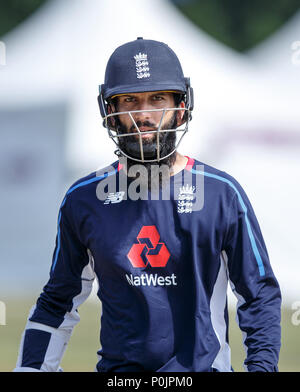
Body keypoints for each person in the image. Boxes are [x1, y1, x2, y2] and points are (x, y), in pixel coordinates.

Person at [14, 37, 281, 372]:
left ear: (181, 105)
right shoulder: (83, 199)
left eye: (157, 99)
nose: (144, 114)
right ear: (111, 112)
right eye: (129, 100)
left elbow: (258, 297)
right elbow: (57, 301)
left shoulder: (222, 194)